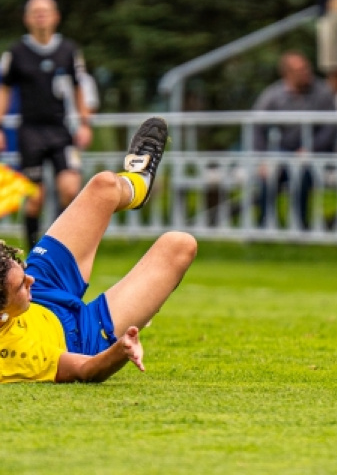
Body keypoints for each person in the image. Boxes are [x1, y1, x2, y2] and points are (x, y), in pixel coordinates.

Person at [0, 117, 197, 383]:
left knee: (104, 185)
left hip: (43, 295)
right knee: (180, 245)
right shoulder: (16, 355)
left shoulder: (32, 284)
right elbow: (86, 369)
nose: (29, 278)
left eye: (22, 271)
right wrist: (121, 350)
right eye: (21, 284)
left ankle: (140, 181)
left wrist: (24, 287)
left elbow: (25, 280)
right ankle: (148, 303)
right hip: (81, 335)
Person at [0, 0, 95, 252]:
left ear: (56, 16)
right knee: (35, 199)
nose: (41, 15)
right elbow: (4, 90)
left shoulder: (69, 50)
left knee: (70, 188)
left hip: (60, 130)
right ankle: (33, 255)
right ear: (26, 18)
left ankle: (62, 248)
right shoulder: (16, 52)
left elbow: (80, 87)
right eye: (35, 11)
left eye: (46, 11)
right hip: (30, 132)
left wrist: (85, 123)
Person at [253, 51, 337, 229]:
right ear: (287, 74)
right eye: (300, 70)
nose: (306, 72)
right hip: (284, 152)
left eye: (306, 68)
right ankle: (264, 224)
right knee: (269, 174)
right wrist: (262, 159)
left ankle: (300, 225)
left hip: (317, 154)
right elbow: (257, 126)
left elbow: (331, 128)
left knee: (302, 174)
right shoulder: (273, 95)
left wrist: (311, 149)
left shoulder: (322, 92)